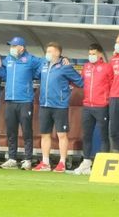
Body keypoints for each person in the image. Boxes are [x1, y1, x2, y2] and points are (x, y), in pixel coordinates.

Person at [33, 43, 83, 172]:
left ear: (57, 53)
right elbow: (35, 74)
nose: (47, 53)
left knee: (61, 135)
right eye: (47, 51)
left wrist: (66, 92)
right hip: (44, 104)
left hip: (60, 105)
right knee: (45, 134)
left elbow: (80, 81)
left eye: (50, 51)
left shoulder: (65, 66)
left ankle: (62, 163)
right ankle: (45, 162)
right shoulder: (44, 65)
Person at [72, 43, 113, 174]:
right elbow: (80, 82)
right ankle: (86, 163)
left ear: (100, 54)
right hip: (87, 106)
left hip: (102, 106)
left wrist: (108, 100)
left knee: (103, 135)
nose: (91, 56)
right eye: (89, 54)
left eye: (93, 54)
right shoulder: (86, 67)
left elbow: (113, 85)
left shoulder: (107, 68)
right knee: (87, 135)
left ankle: (103, 165)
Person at [1, 38, 43, 168]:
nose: (11, 48)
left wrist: (35, 74)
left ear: (22, 47)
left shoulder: (30, 59)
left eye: (14, 46)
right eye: (11, 46)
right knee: (11, 131)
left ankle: (28, 159)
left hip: (25, 100)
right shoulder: (8, 59)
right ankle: (12, 158)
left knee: (26, 131)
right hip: (10, 100)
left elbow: (43, 62)